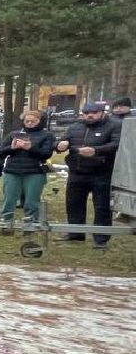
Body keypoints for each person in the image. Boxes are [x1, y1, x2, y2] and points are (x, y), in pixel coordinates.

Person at [55, 101, 123, 249]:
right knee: (74, 204)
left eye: (94, 113)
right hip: (77, 172)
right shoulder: (75, 127)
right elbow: (63, 141)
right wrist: (60, 145)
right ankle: (76, 233)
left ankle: (101, 239)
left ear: (102, 113)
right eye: (86, 113)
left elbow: (116, 144)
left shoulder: (114, 125)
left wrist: (96, 151)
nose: (90, 115)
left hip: (102, 173)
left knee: (102, 207)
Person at [0, 108, 55, 233]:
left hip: (35, 171)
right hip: (12, 170)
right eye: (27, 121)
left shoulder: (47, 135)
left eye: (33, 121)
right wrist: (12, 148)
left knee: (32, 200)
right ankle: (7, 223)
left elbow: (46, 153)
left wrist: (30, 148)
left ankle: (30, 224)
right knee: (9, 198)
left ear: (40, 121)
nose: (30, 123)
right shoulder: (13, 134)